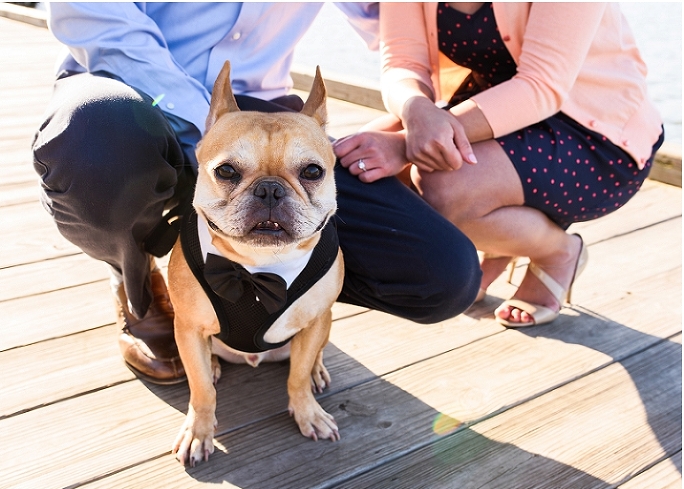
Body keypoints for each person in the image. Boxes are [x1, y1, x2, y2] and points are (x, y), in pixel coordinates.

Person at [32, 3, 482, 385]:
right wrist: (214, 133)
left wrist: (421, 107)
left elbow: (402, 27)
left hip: (262, 113)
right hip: (131, 92)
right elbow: (95, 18)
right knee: (90, 134)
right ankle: (135, 276)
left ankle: (291, 299)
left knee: (442, 272)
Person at [334, 2, 664, 328]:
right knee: (359, 154)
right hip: (490, 110)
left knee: (441, 184)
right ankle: (501, 240)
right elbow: (402, 63)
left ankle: (557, 252)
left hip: (594, 133)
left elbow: (542, 86)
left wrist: (407, 144)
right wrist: (415, 108)